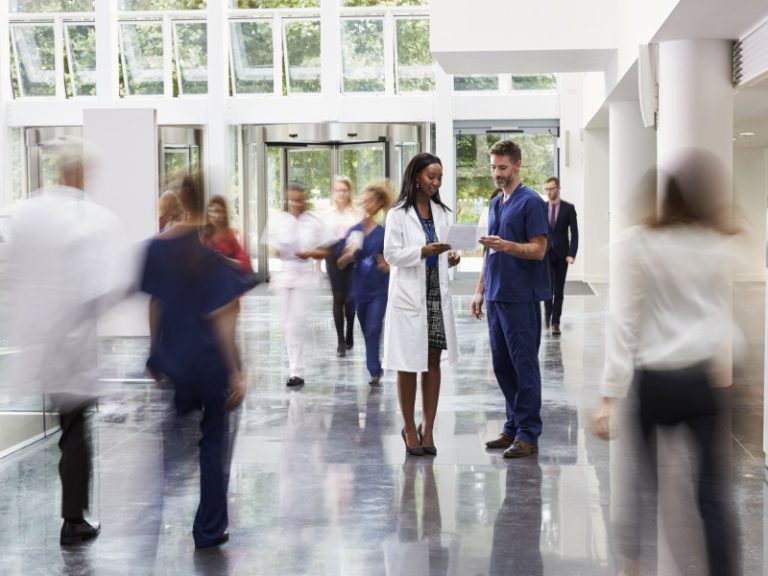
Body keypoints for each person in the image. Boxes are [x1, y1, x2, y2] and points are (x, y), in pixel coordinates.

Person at [593, 151, 741, 576]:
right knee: (712, 496)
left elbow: (625, 321)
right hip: (700, 379)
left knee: (641, 483)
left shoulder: (638, 242)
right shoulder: (714, 243)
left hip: (656, 380)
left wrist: (609, 395)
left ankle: (633, 564)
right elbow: (721, 315)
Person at [4, 137, 127, 545]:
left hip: (38, 344)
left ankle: (73, 514)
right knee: (75, 432)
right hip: (71, 347)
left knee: (67, 428)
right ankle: (73, 519)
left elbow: (12, 272)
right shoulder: (91, 218)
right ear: (80, 173)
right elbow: (103, 288)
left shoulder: (26, 212)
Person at [141, 174, 248, 549]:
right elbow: (224, 317)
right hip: (210, 363)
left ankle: (147, 514)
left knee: (174, 440)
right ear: (204, 208)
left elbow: (155, 303)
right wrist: (236, 372)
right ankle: (209, 528)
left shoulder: (154, 249)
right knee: (213, 443)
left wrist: (155, 352)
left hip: (176, 359)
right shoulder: (209, 259)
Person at [471, 139, 550, 459]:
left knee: (523, 366)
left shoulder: (531, 202)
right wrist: (479, 290)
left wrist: (507, 246)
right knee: (502, 366)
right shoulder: (495, 204)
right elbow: (489, 250)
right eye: (493, 167)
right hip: (496, 295)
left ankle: (528, 433)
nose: (497, 173)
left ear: (517, 165)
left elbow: (539, 249)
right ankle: (513, 426)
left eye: (502, 168)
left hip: (521, 297)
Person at [383, 153, 460, 457]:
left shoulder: (442, 212)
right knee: (407, 364)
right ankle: (408, 427)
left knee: (432, 361)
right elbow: (391, 254)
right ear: (416, 177)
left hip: (435, 297)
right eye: (431, 176)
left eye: (439, 177)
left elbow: (445, 252)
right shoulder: (398, 214)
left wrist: (450, 257)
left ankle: (428, 428)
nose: (436, 182)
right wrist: (423, 251)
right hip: (409, 298)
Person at [269, 183, 335, 387]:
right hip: (285, 276)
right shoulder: (279, 221)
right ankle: (294, 368)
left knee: (297, 323)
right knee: (287, 325)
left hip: (304, 278)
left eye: (299, 199)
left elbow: (326, 250)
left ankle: (297, 371)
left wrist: (309, 253)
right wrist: (279, 250)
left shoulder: (314, 222)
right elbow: (271, 247)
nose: (296, 204)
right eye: (292, 200)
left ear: (305, 199)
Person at [337, 181, 393, 385]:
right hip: (359, 290)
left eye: (370, 201)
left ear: (378, 204)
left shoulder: (385, 232)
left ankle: (374, 370)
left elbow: (395, 259)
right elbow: (340, 262)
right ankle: (374, 366)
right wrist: (349, 255)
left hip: (379, 289)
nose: (365, 204)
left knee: (373, 328)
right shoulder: (354, 230)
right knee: (367, 329)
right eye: (364, 200)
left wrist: (389, 265)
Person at [324, 176, 364, 357]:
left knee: (350, 300)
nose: (341, 193)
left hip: (352, 256)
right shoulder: (327, 214)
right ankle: (340, 340)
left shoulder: (357, 213)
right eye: (338, 190)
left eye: (344, 190)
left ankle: (349, 332)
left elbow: (362, 235)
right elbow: (321, 241)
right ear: (333, 192)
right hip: (333, 257)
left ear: (349, 192)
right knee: (338, 297)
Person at [542, 176, 578, 336]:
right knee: (547, 288)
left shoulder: (568, 208)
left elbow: (575, 234)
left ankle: (556, 322)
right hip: (545, 254)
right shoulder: (541, 208)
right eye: (547, 189)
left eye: (552, 188)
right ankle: (547, 317)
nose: (549, 192)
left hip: (563, 255)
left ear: (558, 188)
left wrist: (572, 254)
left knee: (559, 289)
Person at [203, 195, 251, 274]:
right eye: (211, 211)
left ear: (225, 214)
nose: (216, 215)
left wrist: (224, 259)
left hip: (225, 282)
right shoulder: (202, 235)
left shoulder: (230, 235)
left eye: (219, 211)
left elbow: (244, 264)